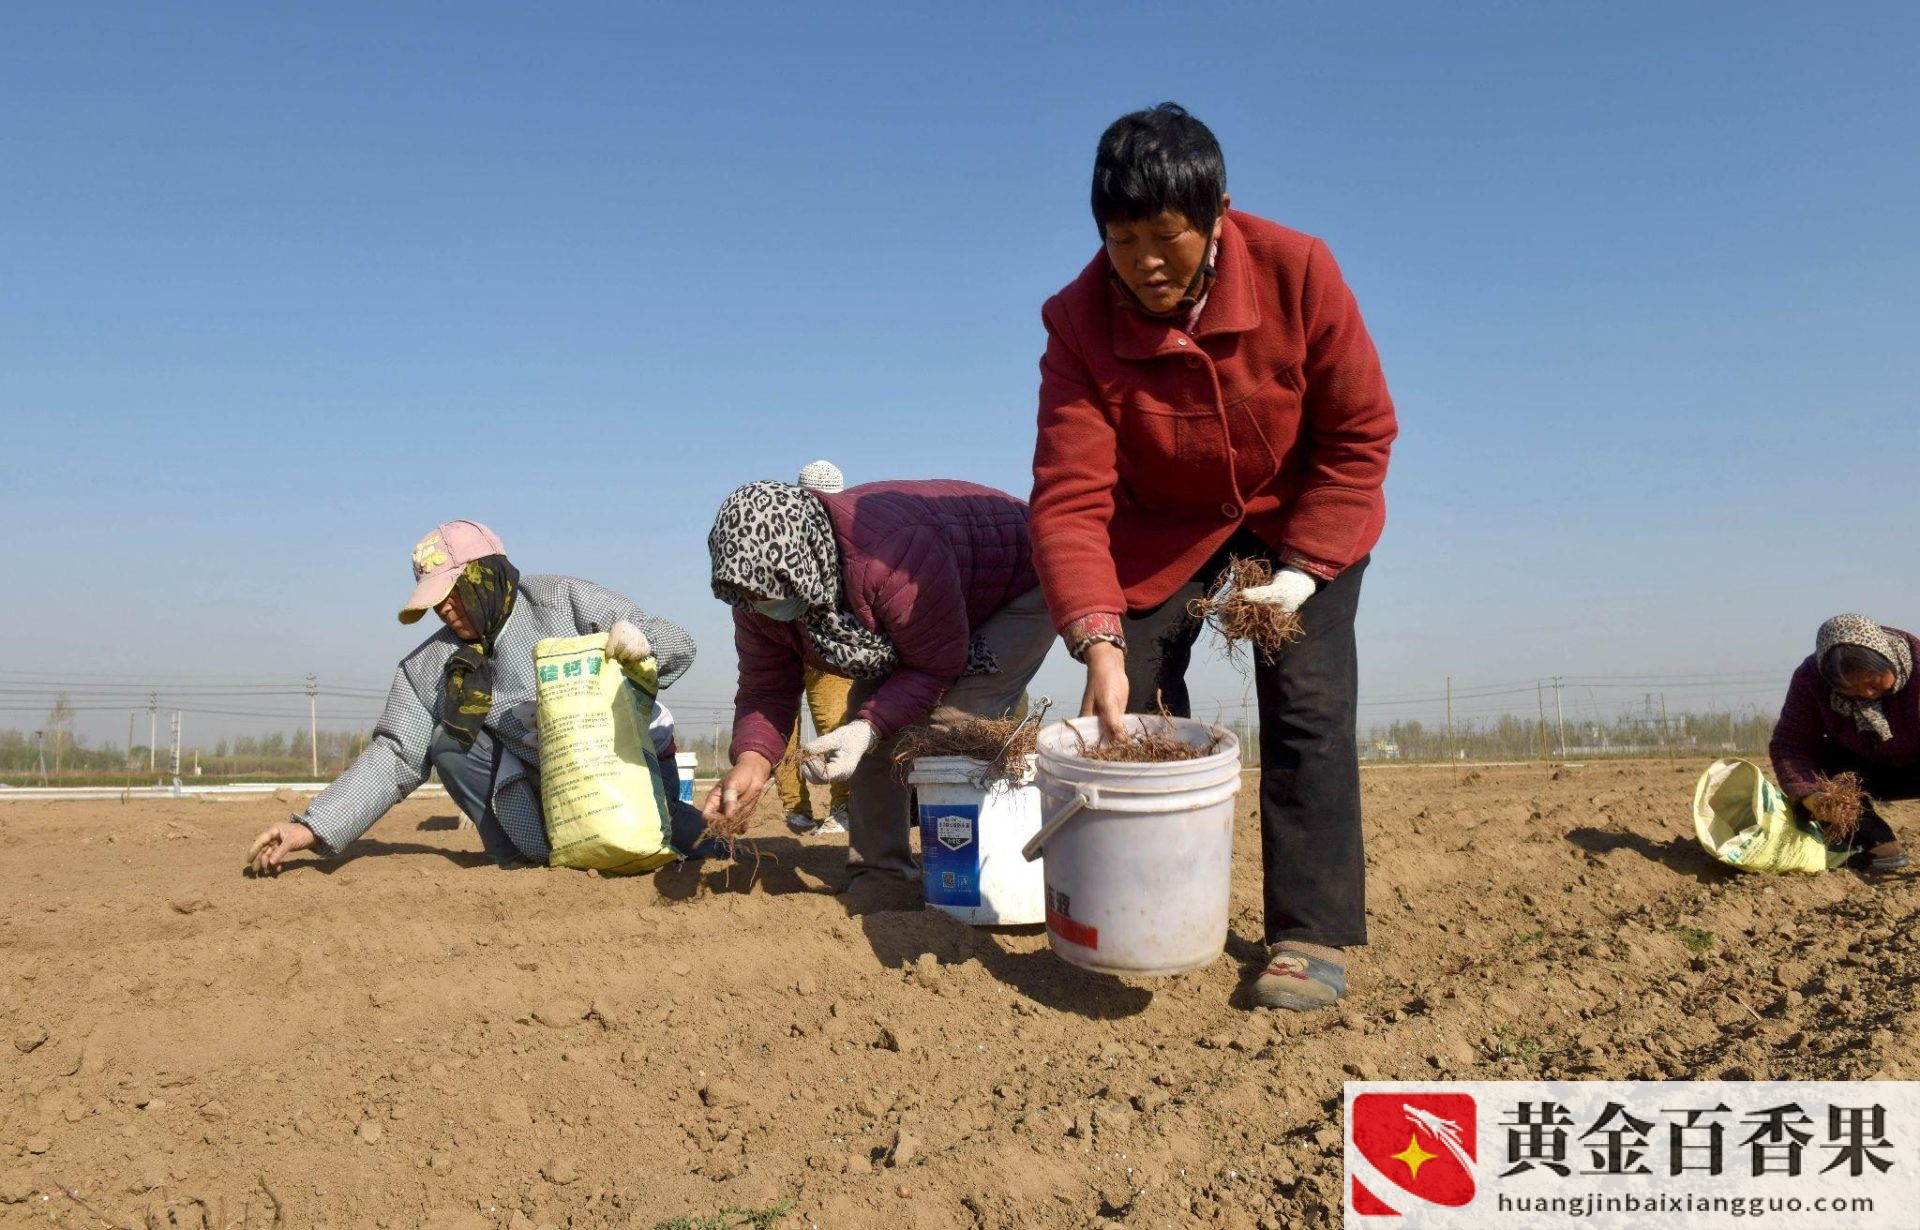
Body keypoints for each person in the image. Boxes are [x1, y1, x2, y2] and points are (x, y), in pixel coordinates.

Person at [1028, 104, 1397, 1010]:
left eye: (1167, 237)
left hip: (1301, 511)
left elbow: (1359, 436)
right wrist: (1098, 642)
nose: (1145, 263)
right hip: (1161, 529)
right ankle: (1145, 910)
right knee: (1134, 716)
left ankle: (1307, 932)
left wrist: (1302, 574)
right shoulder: (1077, 322)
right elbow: (1071, 495)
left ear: (1218, 215)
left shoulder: (1299, 271)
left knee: (1307, 702)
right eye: (1121, 240)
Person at [246, 520, 701, 874]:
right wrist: (310, 826)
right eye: (435, 600)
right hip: (539, 790)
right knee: (449, 740)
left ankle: (681, 832)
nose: (443, 608)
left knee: (690, 842)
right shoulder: (428, 665)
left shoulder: (561, 599)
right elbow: (394, 757)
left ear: (489, 575)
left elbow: (678, 642)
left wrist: (642, 645)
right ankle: (529, 860)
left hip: (623, 777)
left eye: (454, 592)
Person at [702, 478, 1050, 910]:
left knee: (955, 724)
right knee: (867, 730)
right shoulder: (755, 596)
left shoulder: (887, 555)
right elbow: (765, 687)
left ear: (807, 559)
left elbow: (933, 665)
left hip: (1018, 578)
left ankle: (989, 875)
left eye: (778, 591)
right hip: (928, 609)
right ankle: (881, 872)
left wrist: (871, 728)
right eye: (753, 597)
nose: (766, 603)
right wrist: (752, 761)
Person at [1769, 614, 1917, 872]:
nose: (1868, 693)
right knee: (1819, 763)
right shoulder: (1811, 680)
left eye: (1873, 682)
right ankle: (1874, 844)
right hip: (1865, 769)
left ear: (1887, 659)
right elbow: (1790, 744)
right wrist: (1811, 796)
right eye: (1851, 688)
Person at [775, 460, 854, 836]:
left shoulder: (849, 534)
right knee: (780, 722)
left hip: (829, 647)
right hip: (782, 639)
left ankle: (844, 805)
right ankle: (797, 808)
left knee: (836, 721)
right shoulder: (780, 532)